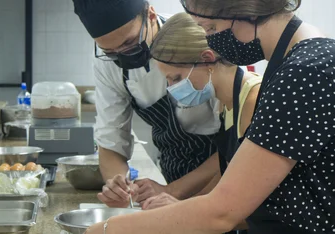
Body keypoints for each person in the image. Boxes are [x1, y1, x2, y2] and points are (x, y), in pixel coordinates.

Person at [84, 0, 335, 234]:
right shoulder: (295, 64)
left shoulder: (304, 72)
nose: (211, 42)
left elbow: (222, 212)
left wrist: (109, 228)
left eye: (211, 27)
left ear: (244, 11)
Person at [72, 0, 222, 208]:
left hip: (223, 174)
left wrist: (174, 192)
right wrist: (121, 187)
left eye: (130, 43)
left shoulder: (194, 39)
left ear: (151, 15)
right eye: (111, 53)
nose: (123, 56)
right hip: (173, 172)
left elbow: (236, 146)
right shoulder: (107, 65)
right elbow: (111, 139)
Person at [141, 13, 261, 215]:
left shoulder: (252, 99)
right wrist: (183, 204)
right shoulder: (225, 103)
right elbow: (226, 175)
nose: (172, 89)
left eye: (176, 78)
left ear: (207, 59)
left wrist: (182, 209)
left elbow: (247, 195)